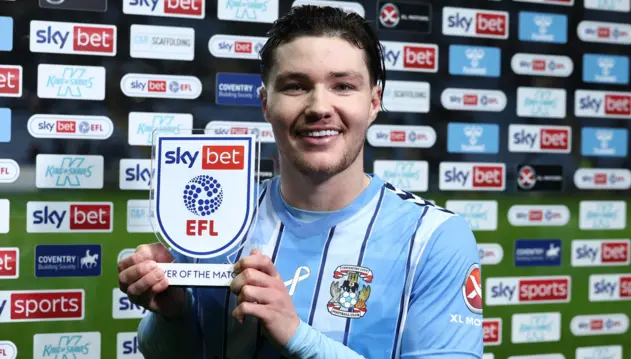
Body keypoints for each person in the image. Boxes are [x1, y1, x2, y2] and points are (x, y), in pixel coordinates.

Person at [117, 5, 483, 359]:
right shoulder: (217, 221)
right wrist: (172, 314)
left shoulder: (434, 237)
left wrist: (294, 334)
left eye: (342, 86)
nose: (319, 107)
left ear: (374, 102)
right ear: (265, 103)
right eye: (295, 86)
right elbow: (176, 351)